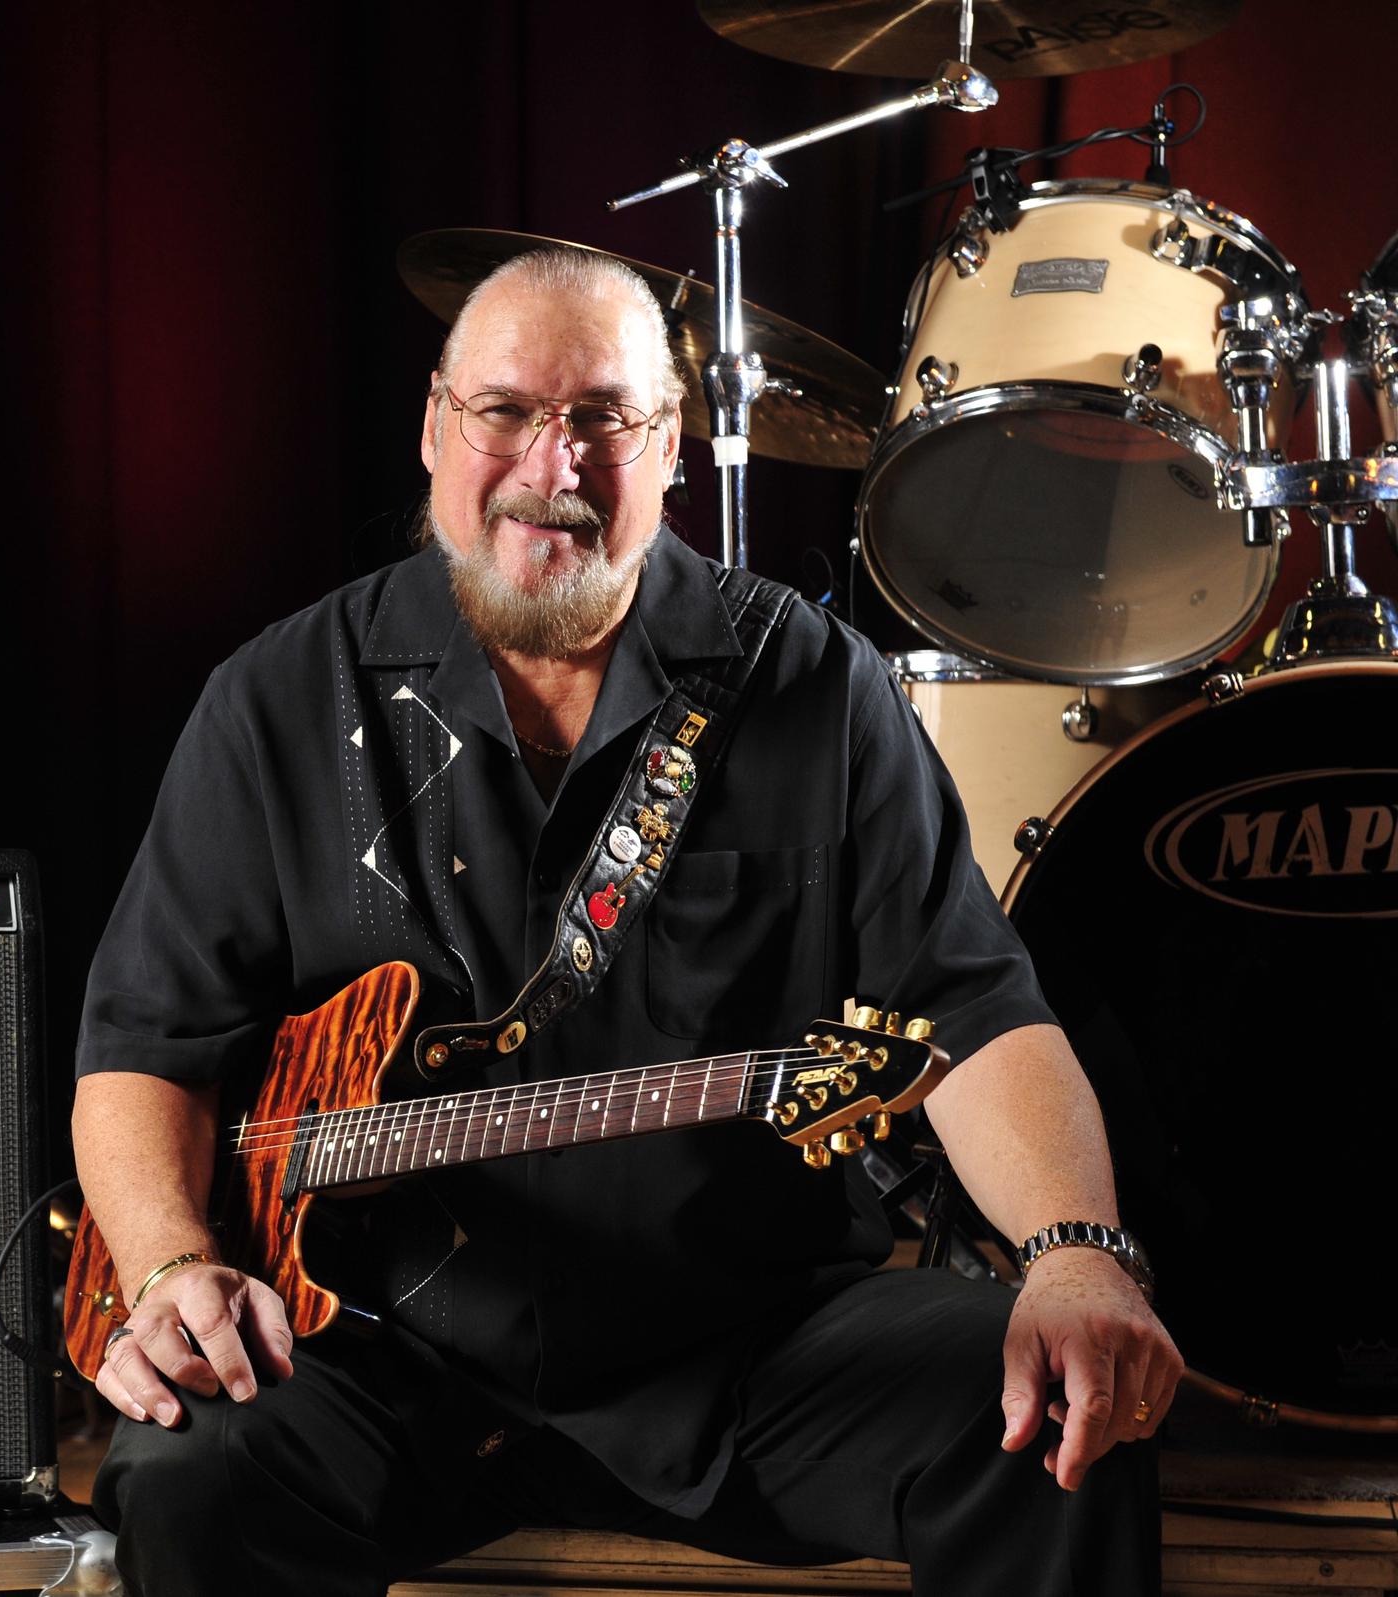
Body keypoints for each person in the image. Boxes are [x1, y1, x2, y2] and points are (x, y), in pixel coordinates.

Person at [71, 248, 1181, 1597]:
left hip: (748, 1352)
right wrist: (174, 1262)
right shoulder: (278, 699)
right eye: (507, 412)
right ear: (434, 425)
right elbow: (146, 1046)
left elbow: (974, 1005)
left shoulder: (814, 685)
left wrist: (1077, 1252)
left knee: (1065, 1420)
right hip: (372, 1363)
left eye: (604, 416)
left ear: (670, 446)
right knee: (184, 1477)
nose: (557, 462)